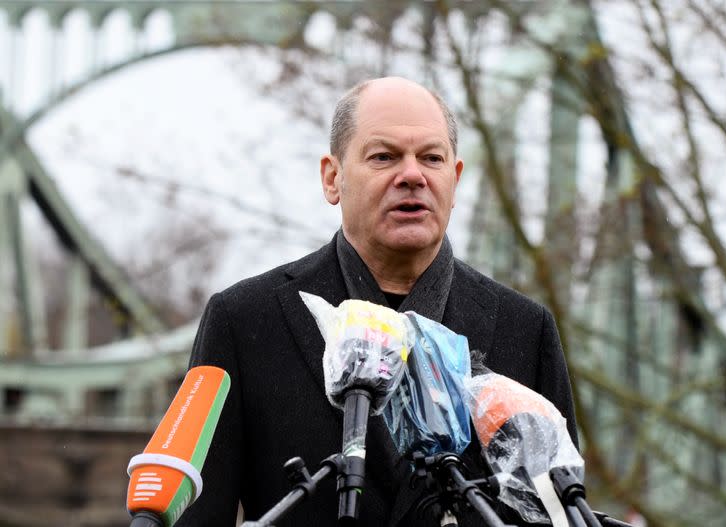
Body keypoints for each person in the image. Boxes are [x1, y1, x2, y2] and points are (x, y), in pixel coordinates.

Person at [176, 77, 577, 526]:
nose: (412, 175)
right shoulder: (244, 320)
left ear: (455, 178)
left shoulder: (525, 329)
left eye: (432, 158)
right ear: (333, 178)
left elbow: (561, 512)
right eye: (384, 157)